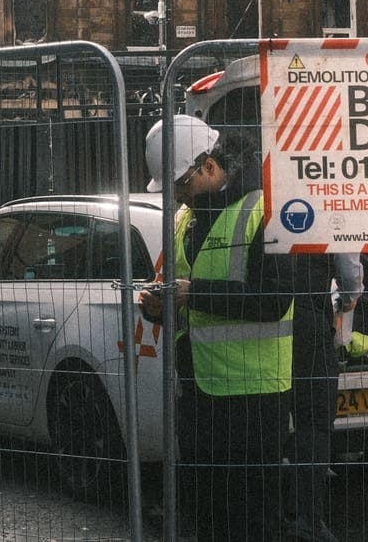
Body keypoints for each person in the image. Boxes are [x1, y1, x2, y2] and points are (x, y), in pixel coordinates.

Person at [138, 119, 294, 542]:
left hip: (253, 397)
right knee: (206, 516)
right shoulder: (186, 219)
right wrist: (159, 307)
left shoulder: (266, 210)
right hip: (197, 391)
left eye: (181, 183)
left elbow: (275, 300)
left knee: (252, 519)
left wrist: (195, 294)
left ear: (208, 166)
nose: (178, 195)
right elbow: (182, 294)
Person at [285, 249, 363, 542]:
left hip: (258, 319)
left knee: (264, 416)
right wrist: (347, 298)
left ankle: (266, 515)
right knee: (314, 422)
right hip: (307, 318)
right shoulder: (320, 204)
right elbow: (349, 272)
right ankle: (304, 518)